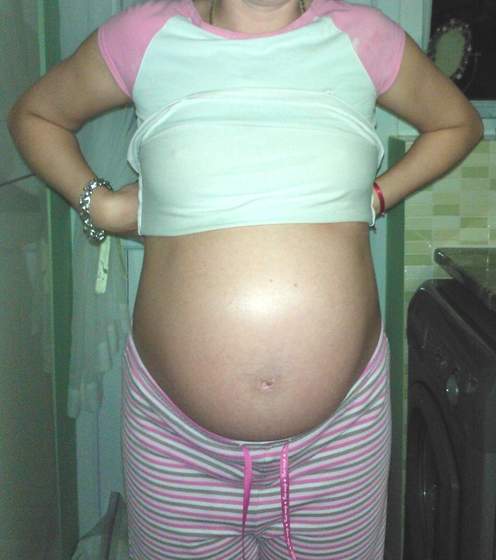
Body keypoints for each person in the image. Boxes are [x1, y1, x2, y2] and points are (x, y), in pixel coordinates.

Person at [8, 0, 482, 558]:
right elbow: (36, 115)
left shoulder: (362, 35)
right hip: (177, 443)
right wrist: (103, 207)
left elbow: (458, 123)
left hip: (339, 441)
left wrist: (378, 195)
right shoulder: (148, 35)